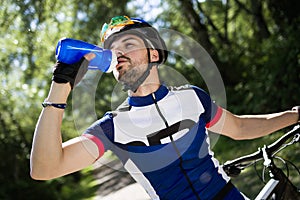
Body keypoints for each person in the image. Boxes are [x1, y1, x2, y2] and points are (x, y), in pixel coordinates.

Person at [30, 15, 300, 200]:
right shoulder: (112, 128)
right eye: (113, 51)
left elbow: (240, 127)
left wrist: (294, 115)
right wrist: (61, 84)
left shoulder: (192, 98)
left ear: (154, 54)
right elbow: (45, 168)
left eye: (129, 44)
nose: (119, 55)